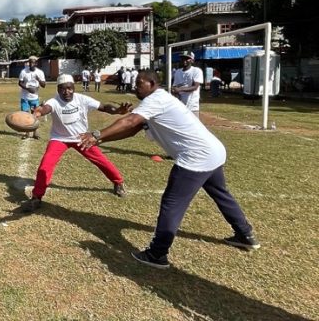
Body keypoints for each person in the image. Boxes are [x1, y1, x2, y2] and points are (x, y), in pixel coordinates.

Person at [79, 69, 260, 269]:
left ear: (152, 84)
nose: (135, 86)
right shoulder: (154, 102)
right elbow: (131, 130)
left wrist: (96, 134)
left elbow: (130, 121)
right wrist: (101, 140)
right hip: (212, 152)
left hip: (196, 158)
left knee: (172, 203)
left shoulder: (156, 99)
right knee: (221, 194)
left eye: (140, 83)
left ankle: (157, 254)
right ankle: (245, 234)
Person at [20, 74, 131, 213]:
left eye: (69, 88)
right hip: (59, 139)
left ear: (73, 88)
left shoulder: (82, 99)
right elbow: (44, 109)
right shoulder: (54, 101)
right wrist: (36, 113)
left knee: (100, 160)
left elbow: (104, 107)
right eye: (62, 89)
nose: (66, 92)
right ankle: (36, 197)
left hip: (81, 137)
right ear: (58, 89)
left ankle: (118, 182)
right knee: (45, 166)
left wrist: (118, 111)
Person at [18, 56, 46, 140]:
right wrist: (28, 88)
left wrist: (38, 79)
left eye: (33, 62)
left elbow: (44, 85)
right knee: (26, 115)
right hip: (25, 97)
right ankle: (26, 133)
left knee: (35, 115)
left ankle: (35, 133)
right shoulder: (23, 71)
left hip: (34, 98)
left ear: (36, 63)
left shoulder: (40, 72)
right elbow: (20, 83)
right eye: (30, 62)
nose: (31, 64)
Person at [172, 51, 204, 117]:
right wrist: (175, 92)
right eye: (183, 58)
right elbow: (175, 86)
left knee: (194, 126)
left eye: (187, 59)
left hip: (192, 106)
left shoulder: (196, 71)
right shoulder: (177, 72)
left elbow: (195, 87)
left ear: (192, 60)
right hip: (180, 106)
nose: (184, 60)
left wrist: (179, 89)